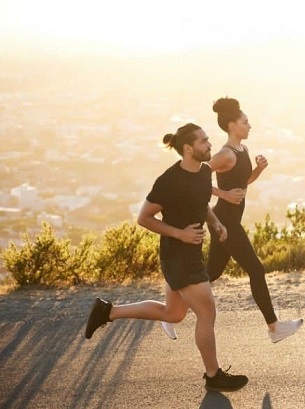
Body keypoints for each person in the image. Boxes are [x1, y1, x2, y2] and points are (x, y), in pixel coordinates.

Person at [84, 123, 248, 392]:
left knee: (172, 313)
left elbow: (202, 202)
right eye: (204, 141)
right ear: (188, 148)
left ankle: (107, 311)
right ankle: (213, 375)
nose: (209, 144)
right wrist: (180, 234)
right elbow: (144, 217)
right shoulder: (169, 181)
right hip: (178, 255)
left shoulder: (204, 172)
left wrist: (217, 224)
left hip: (190, 253)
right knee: (206, 311)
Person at [205, 96, 303, 343]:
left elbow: (243, 181)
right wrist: (223, 193)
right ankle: (274, 327)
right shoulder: (225, 154)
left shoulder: (242, 150)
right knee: (256, 270)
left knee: (211, 273)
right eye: (245, 122)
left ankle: (168, 309)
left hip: (226, 219)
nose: (250, 126)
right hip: (225, 221)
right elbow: (195, 178)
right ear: (232, 125)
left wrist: (258, 170)